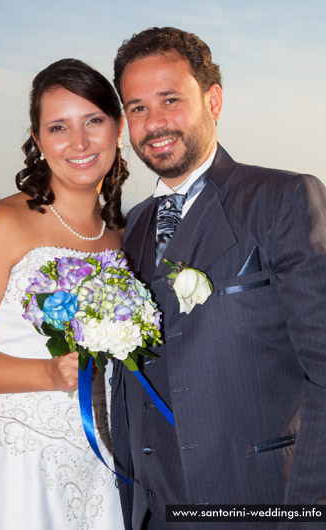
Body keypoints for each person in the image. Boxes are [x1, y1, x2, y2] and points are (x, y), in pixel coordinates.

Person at [109, 27, 326, 530]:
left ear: (213, 100)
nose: (154, 122)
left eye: (170, 99)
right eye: (137, 107)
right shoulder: (135, 224)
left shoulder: (283, 199)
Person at [0, 58, 128, 529]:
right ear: (38, 141)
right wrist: (49, 373)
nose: (79, 143)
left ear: (117, 129)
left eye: (93, 121)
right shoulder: (4, 223)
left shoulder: (120, 233)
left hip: (100, 465)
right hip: (12, 470)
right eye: (58, 127)